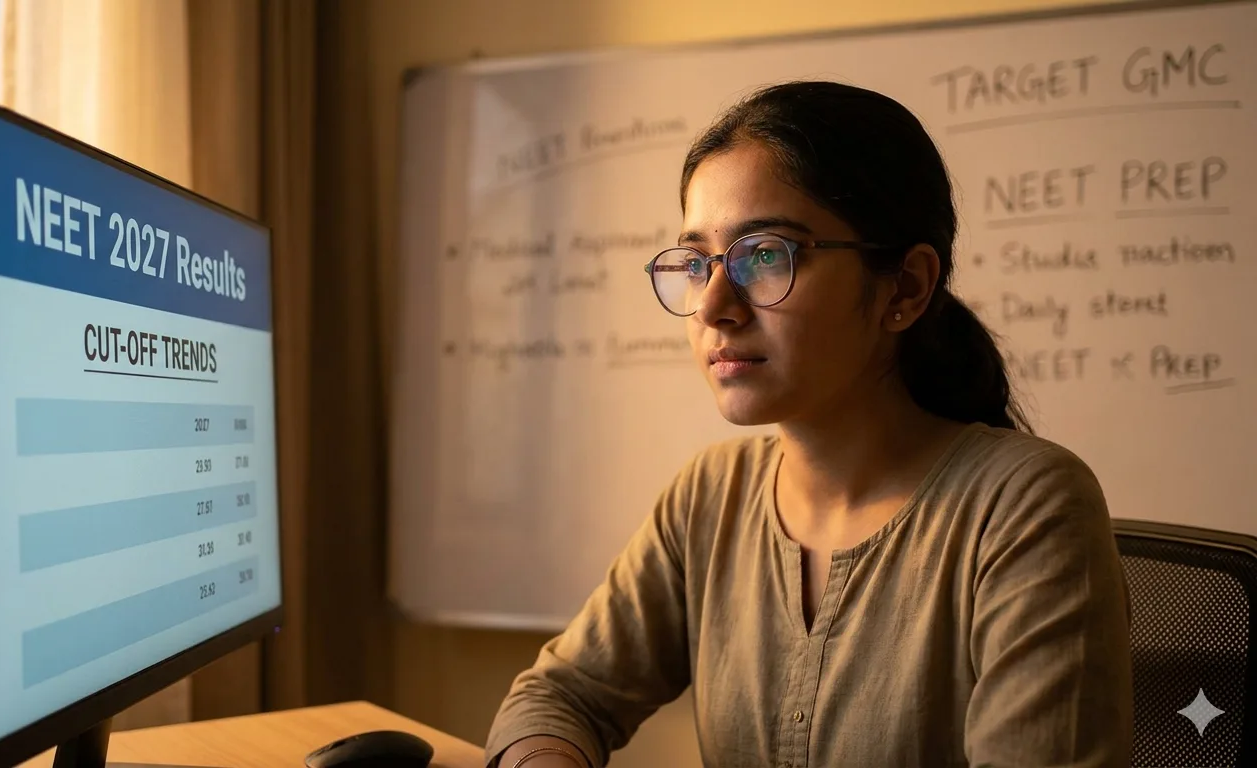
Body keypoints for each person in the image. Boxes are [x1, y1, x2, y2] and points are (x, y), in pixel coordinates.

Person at [484, 80, 1134, 768]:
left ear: (905, 287)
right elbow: (561, 695)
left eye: (766, 255)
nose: (712, 307)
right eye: (698, 261)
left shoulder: (1024, 508)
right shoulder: (712, 495)